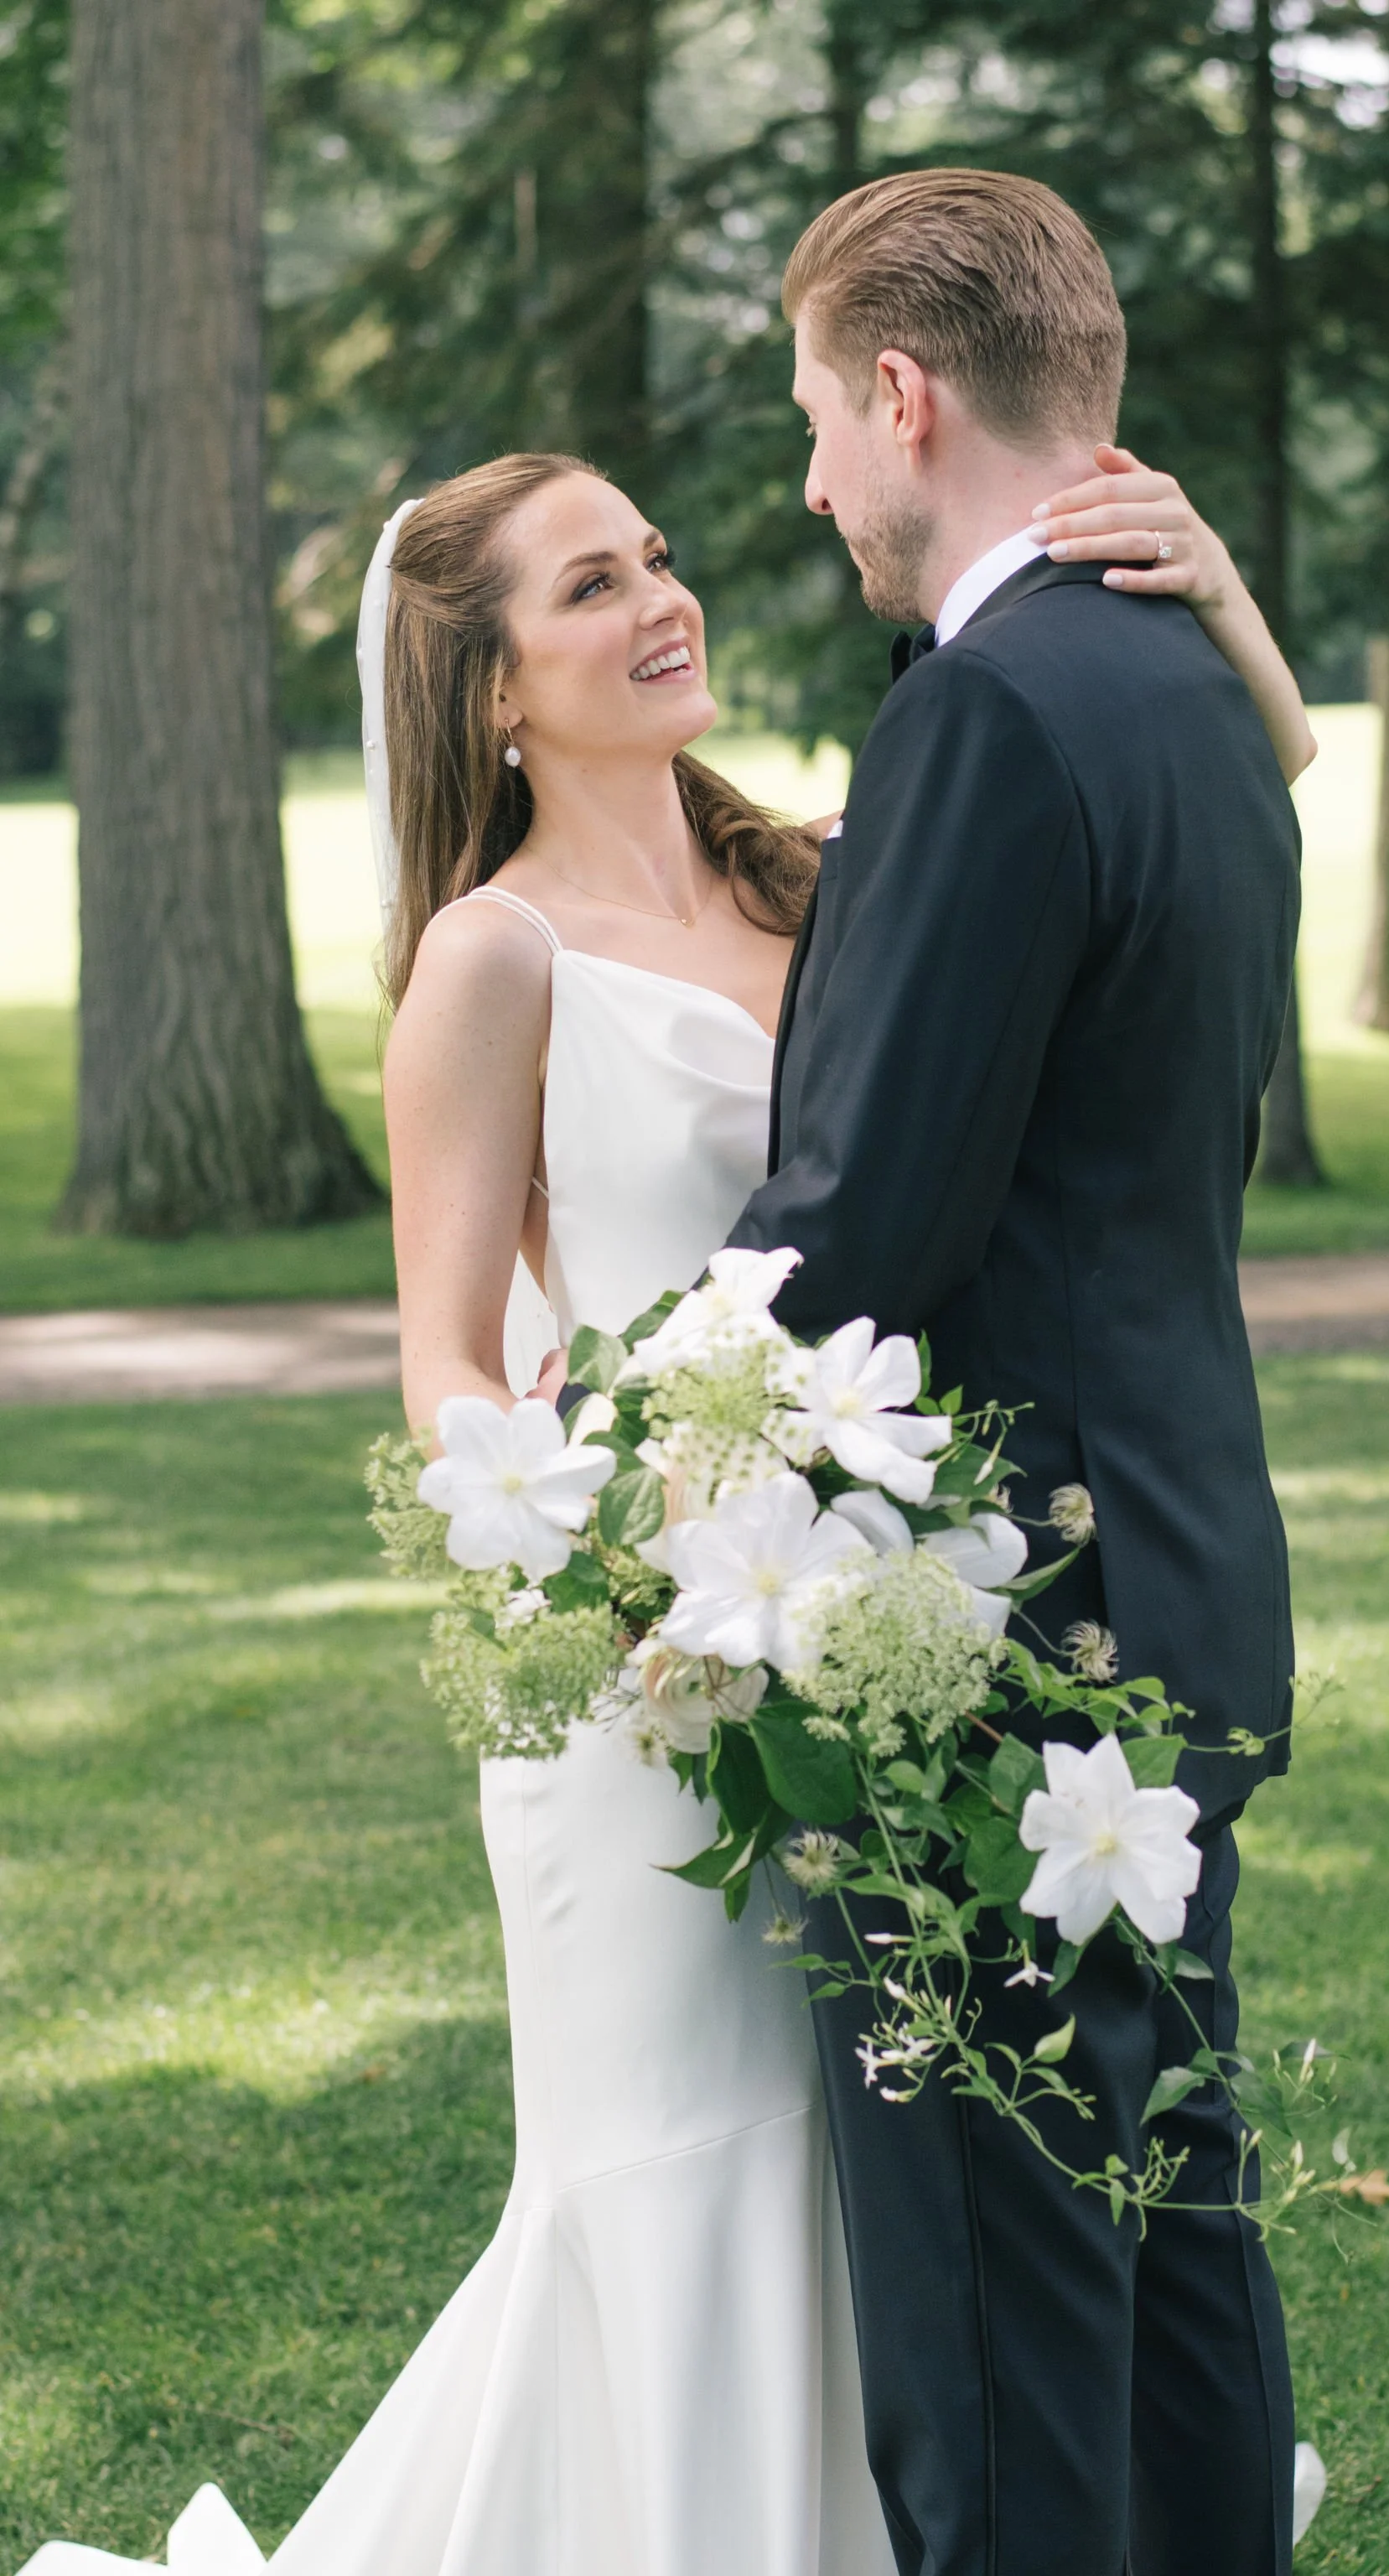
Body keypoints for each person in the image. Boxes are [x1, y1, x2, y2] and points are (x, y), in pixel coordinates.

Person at [18, 420, 1310, 2569]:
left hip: (892, 1626)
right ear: (491, 688)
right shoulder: (489, 960)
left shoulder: (818, 866)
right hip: (662, 1681)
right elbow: (444, 1362)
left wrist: (1225, 610)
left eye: (656, 555)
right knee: (693, 2166)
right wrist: (613, 1560)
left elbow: (1213, 798)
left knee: (885, 2166)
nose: (662, 597)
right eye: (590, 586)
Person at [726, 169, 1307, 2576]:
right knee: (1167, 2205)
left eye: (812, 426)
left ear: (903, 392)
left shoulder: (984, 706)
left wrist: (628, 1458)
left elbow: (865, 1224)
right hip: (1176, 1562)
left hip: (988, 1622)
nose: (807, 490)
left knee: (993, 2287)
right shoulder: (1191, 686)